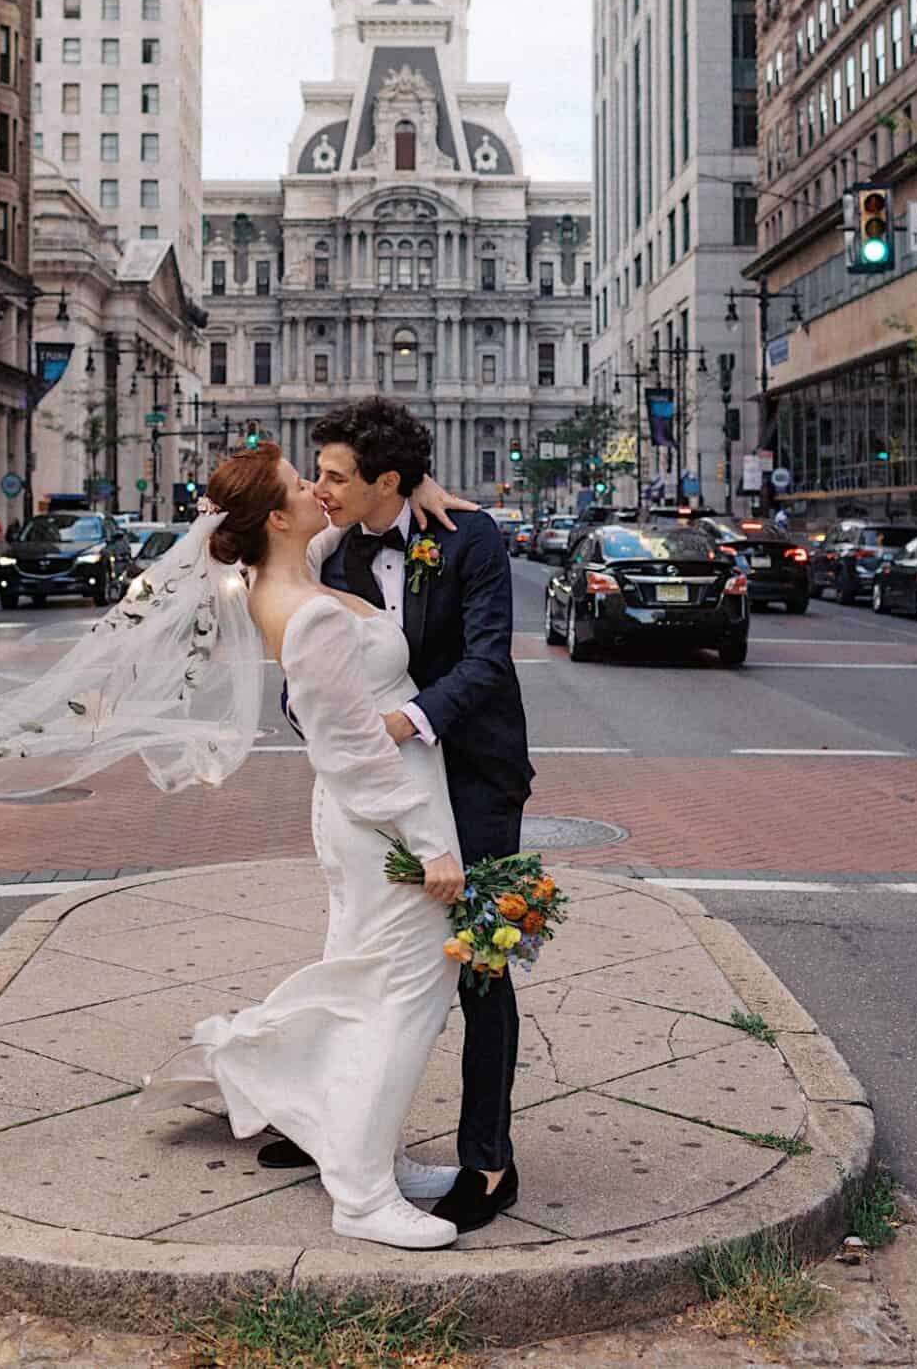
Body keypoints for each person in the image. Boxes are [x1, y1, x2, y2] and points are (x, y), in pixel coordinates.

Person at [0, 442, 479, 1250]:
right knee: (404, 1001)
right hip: (386, 823)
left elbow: (339, 528)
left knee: (367, 989)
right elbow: (352, 752)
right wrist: (434, 845)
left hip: (371, 818)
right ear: (275, 517)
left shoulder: (287, 574)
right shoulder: (311, 614)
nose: (320, 493)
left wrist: (408, 486)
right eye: (307, 485)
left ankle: (366, 1151)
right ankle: (363, 1195)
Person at [306, 397, 533, 1234]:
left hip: (472, 776)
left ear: (388, 482)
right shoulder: (324, 554)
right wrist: (339, 735)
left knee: (479, 964)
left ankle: (488, 1161)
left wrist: (402, 722)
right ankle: (338, 1128)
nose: (320, 486)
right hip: (374, 787)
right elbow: (310, 683)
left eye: (335, 475)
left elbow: (486, 659)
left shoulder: (468, 536)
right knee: (362, 953)